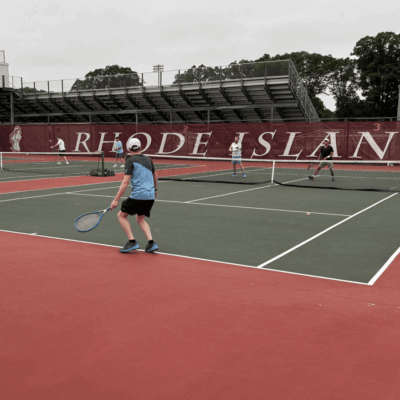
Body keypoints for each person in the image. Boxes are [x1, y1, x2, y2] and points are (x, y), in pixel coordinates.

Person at [110, 137, 159, 253]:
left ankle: (132, 242)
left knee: (121, 216)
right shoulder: (148, 159)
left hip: (139, 195)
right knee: (140, 219)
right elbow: (156, 176)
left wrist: (115, 200)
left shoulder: (130, 160)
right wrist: (155, 190)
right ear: (141, 147)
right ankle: (151, 243)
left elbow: (125, 182)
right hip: (150, 196)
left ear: (128, 148)